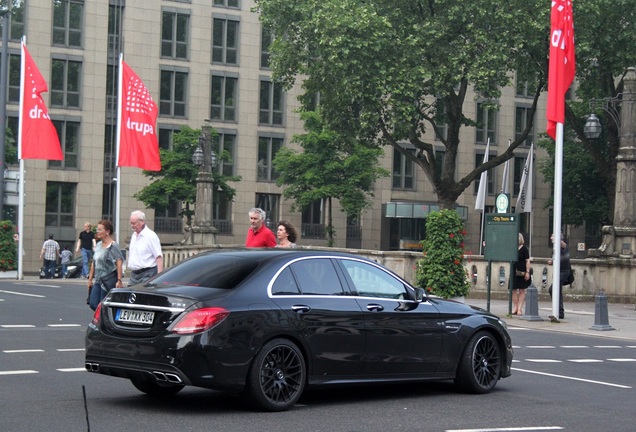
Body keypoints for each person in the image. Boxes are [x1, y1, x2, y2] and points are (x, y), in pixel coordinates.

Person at [87, 220, 124, 311]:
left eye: (100, 229)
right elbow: (94, 262)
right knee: (93, 303)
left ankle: (103, 323)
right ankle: (103, 320)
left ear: (107, 232)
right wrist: (90, 279)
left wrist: (119, 280)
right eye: (97, 229)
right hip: (98, 280)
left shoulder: (113, 246)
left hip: (107, 280)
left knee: (103, 305)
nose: (97, 232)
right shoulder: (99, 245)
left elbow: (119, 262)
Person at [128, 210, 163, 286]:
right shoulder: (134, 236)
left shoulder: (151, 236)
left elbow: (158, 257)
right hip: (134, 274)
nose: (132, 226)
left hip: (148, 273)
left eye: (134, 223)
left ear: (142, 222)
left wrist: (159, 277)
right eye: (131, 223)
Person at [548, 232, 571, 320]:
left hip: (563, 271)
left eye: (552, 236)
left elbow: (564, 246)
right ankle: (559, 311)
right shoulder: (556, 247)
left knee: (553, 289)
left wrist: (558, 238)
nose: (551, 238)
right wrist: (552, 261)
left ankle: (559, 311)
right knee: (557, 290)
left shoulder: (562, 245)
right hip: (559, 271)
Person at [512, 233, 531, 315]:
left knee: (522, 290)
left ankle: (520, 308)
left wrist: (527, 272)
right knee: (513, 290)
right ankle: (515, 307)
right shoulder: (512, 248)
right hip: (513, 271)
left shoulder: (524, 249)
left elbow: (527, 261)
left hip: (522, 271)